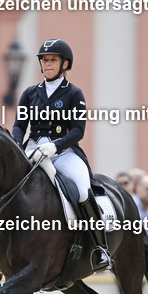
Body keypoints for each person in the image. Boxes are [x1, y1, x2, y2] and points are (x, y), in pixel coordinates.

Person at [8, 38, 111, 272]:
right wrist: (16, 145)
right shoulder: (30, 93)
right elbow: (19, 125)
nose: (48, 64)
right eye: (44, 60)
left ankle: (99, 247)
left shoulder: (74, 93)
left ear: (65, 63)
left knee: (83, 188)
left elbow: (78, 130)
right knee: (6, 186)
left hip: (62, 151)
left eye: (53, 60)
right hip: (33, 149)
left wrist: (56, 146)